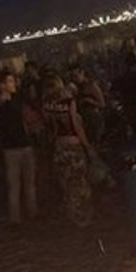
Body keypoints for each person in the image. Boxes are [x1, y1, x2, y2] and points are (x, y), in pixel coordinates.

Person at [43, 75, 95, 227]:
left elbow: (49, 129)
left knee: (66, 182)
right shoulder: (69, 102)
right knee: (80, 180)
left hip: (59, 146)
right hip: (73, 145)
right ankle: (84, 216)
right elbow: (76, 126)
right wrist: (87, 146)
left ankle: (72, 216)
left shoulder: (46, 105)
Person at [0, 69, 37, 225]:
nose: (14, 84)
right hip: (13, 148)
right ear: (2, 85)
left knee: (24, 184)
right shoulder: (1, 104)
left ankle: (27, 214)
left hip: (19, 145)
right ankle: (18, 217)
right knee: (17, 185)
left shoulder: (13, 101)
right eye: (10, 81)